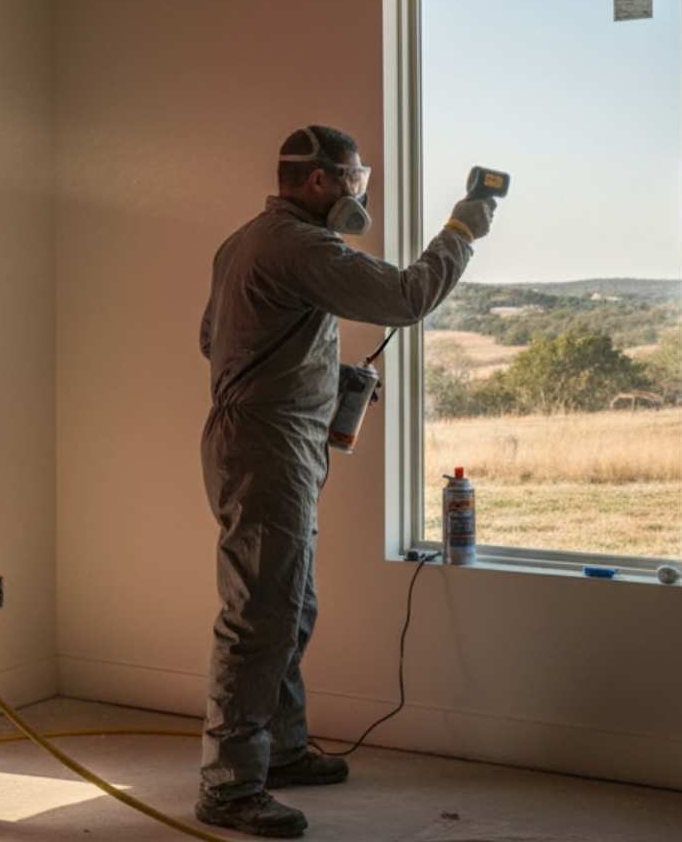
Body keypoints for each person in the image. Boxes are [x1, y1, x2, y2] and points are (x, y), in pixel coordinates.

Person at [195, 125, 495, 838]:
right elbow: (407, 296)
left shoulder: (244, 241)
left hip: (267, 437)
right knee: (259, 615)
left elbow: (216, 339)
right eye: (357, 176)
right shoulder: (302, 246)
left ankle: (283, 749)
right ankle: (230, 788)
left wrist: (322, 377)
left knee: (289, 603)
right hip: (267, 446)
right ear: (322, 181)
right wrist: (463, 228)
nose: (363, 188)